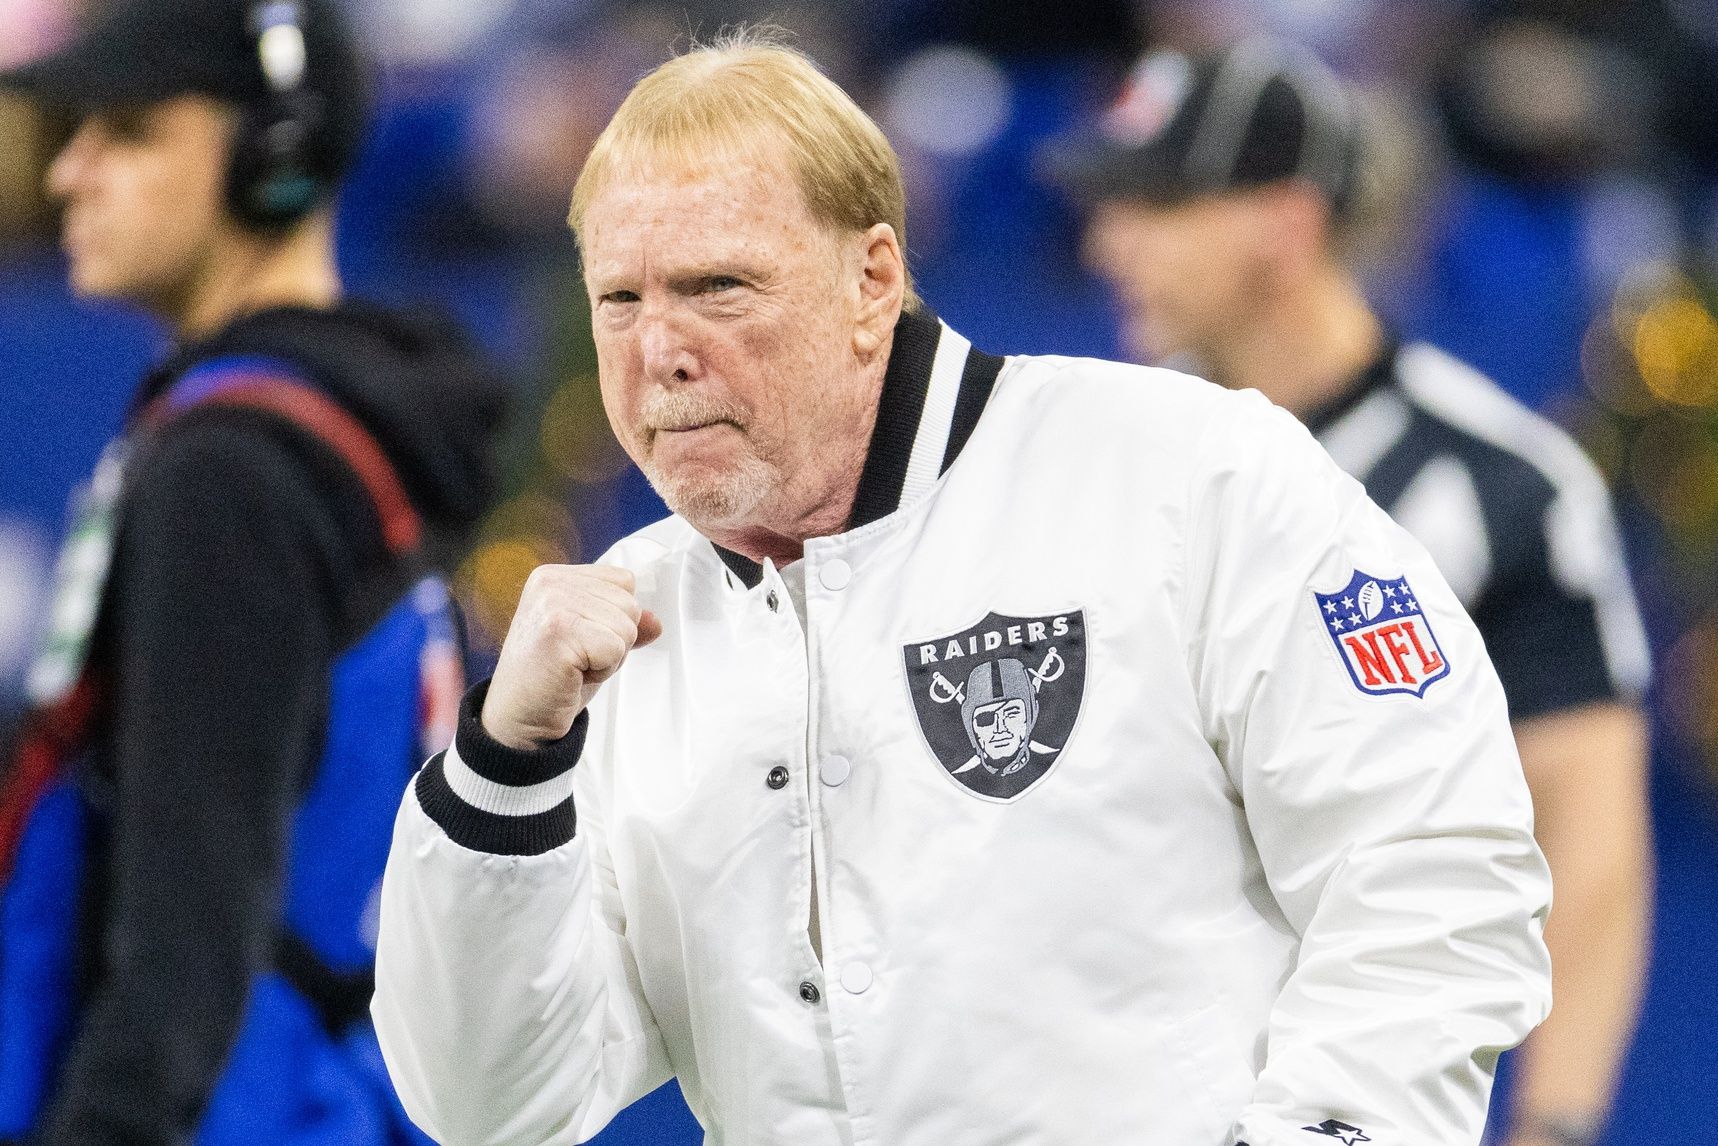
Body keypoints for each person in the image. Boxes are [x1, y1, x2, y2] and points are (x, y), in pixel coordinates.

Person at [372, 30, 1552, 1146]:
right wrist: (506, 766)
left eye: (717, 286)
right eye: (618, 300)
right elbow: (490, 1107)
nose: (658, 350)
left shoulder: (1188, 474)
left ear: (870, 278)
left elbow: (1434, 864)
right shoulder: (624, 637)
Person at [1066, 39, 1653, 1146]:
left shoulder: (1506, 486)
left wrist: (1554, 1127)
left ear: (1283, 225)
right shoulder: (1100, 458)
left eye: (1153, 203)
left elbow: (1584, 838)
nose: (1108, 243)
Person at [0, 0, 506, 1141]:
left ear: (272, 160)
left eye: (127, 133)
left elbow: (188, 934)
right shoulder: (332, 429)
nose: (71, 171)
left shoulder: (233, 472)